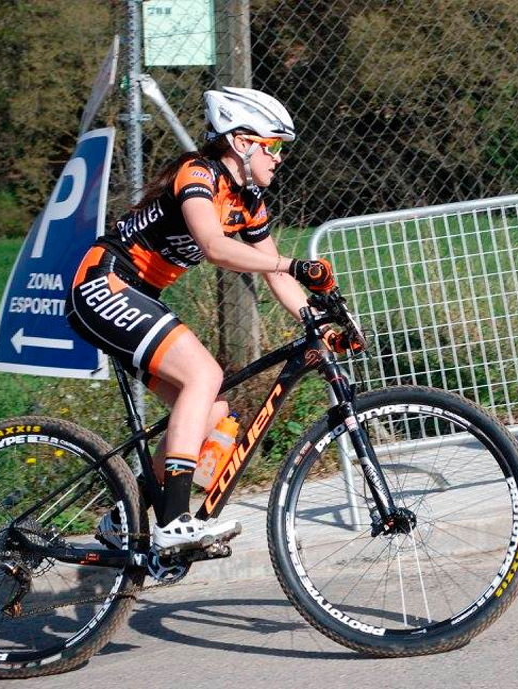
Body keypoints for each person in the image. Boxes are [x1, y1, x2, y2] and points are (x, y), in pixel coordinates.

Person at [65, 86, 335, 553]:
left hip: (138, 294)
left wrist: (319, 320)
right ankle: (173, 521)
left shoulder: (249, 202)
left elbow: (275, 275)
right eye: (273, 146)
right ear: (241, 142)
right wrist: (288, 264)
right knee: (205, 374)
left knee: (210, 411)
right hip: (104, 283)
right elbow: (213, 245)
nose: (278, 158)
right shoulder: (198, 174)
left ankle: (121, 518)